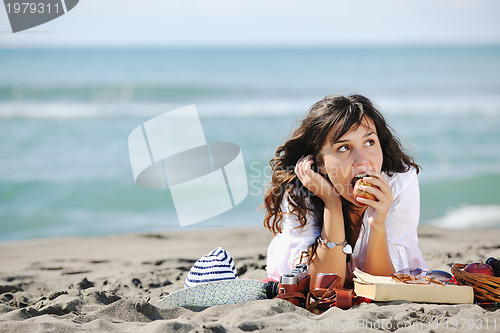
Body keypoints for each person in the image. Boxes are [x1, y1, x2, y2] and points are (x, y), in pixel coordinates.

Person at [263, 94, 426, 288]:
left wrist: (378, 223)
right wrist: (332, 202)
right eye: (344, 148)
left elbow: (382, 286)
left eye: (369, 142)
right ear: (321, 163)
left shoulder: (399, 182)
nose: (362, 160)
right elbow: (323, 287)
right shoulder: (302, 189)